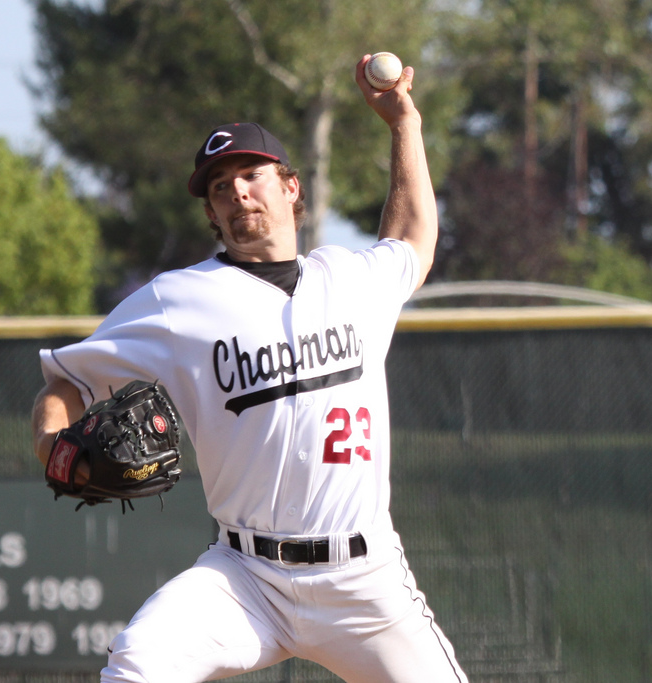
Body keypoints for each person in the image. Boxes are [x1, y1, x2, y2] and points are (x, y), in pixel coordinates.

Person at [31, 54, 468, 683]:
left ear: (290, 187)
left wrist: (404, 123)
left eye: (250, 175)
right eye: (219, 187)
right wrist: (52, 444)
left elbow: (411, 240)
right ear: (212, 213)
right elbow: (66, 378)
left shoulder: (350, 280)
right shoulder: (177, 300)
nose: (236, 190)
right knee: (138, 663)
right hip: (246, 579)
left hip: (364, 584)